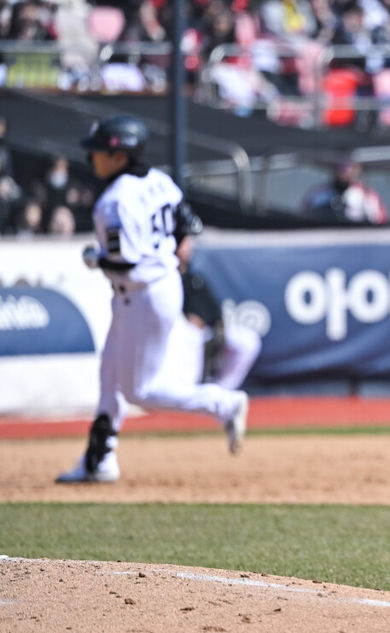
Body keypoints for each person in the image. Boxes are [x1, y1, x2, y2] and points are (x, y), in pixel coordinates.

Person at [56, 115, 249, 484]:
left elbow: (125, 262)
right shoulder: (160, 181)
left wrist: (95, 258)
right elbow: (188, 225)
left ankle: (223, 403)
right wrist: (166, 252)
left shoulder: (113, 201)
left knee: (141, 391)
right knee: (109, 371)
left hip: (143, 294)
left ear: (120, 155)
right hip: (155, 288)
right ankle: (100, 459)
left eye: (99, 151)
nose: (93, 158)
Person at [175, 223, 262, 391]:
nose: (187, 248)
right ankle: (188, 392)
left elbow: (212, 307)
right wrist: (188, 318)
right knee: (191, 333)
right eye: (183, 243)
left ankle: (221, 391)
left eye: (188, 243)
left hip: (207, 331)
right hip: (181, 334)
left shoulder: (195, 278)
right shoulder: (166, 278)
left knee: (247, 342)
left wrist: (217, 322)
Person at [302, 159, 388, 225]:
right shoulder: (317, 195)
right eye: (342, 166)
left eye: (350, 166)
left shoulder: (368, 196)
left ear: (358, 168)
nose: (345, 170)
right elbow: (305, 220)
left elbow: (381, 223)